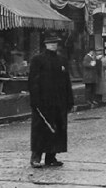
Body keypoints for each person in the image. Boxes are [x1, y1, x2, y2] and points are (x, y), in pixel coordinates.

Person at [28, 35, 74, 168]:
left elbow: (67, 82)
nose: (53, 45)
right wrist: (35, 100)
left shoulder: (62, 60)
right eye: (50, 43)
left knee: (57, 129)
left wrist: (69, 100)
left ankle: (51, 156)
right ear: (45, 44)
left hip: (59, 102)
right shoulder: (38, 60)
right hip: (43, 103)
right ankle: (36, 157)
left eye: (55, 43)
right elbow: (33, 82)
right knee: (41, 129)